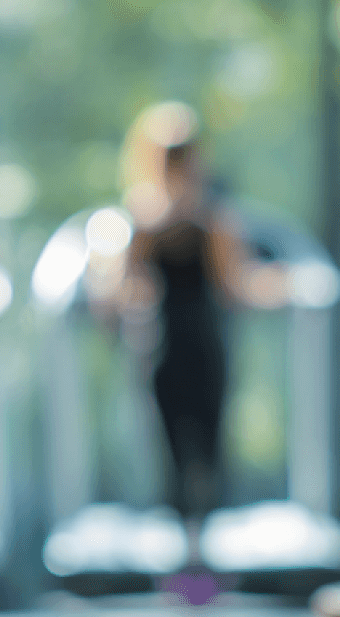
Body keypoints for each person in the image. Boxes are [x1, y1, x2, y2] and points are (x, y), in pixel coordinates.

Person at [112, 103, 284, 542]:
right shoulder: (204, 218)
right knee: (199, 457)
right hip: (196, 348)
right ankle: (195, 558)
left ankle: (191, 559)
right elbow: (236, 286)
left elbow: (128, 290)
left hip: (172, 350)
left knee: (183, 458)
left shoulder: (158, 220)